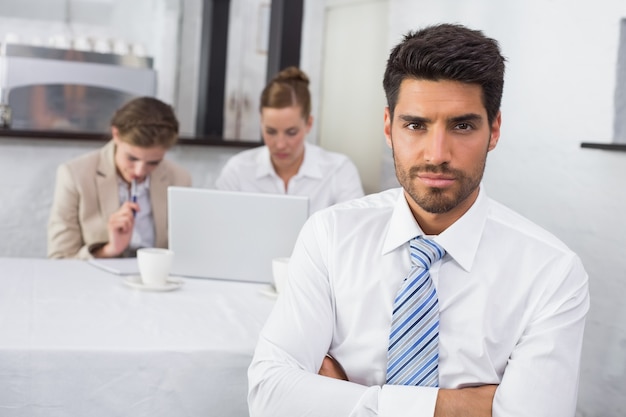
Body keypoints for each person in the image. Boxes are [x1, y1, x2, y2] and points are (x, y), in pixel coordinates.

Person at [247, 23, 589, 417]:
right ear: (388, 127)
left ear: (493, 130)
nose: (436, 154)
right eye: (416, 125)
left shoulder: (552, 273)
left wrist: (347, 398)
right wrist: (459, 406)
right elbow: (270, 397)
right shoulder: (331, 236)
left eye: (462, 125)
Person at [47, 96, 192, 259]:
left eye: (153, 162)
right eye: (132, 158)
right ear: (116, 134)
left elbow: (185, 254)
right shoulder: (75, 175)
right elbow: (60, 259)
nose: (140, 171)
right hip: (94, 281)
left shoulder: (179, 179)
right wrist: (109, 250)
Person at [215, 66, 364, 214]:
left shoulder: (339, 170)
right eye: (270, 131)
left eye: (291, 133)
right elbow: (216, 225)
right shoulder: (237, 170)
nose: (280, 144)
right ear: (261, 122)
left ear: (309, 124)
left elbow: (354, 231)